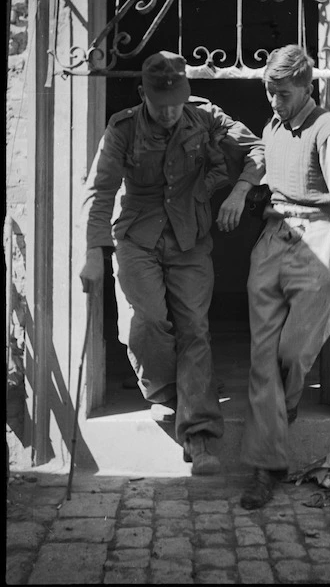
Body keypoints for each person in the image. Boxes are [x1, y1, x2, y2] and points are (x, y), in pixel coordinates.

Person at [79, 50, 265, 475]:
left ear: (187, 92)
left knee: (195, 329)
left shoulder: (205, 118)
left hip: (190, 237)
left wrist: (238, 192)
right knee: (147, 322)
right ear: (144, 93)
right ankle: (166, 391)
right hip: (137, 237)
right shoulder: (122, 128)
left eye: (176, 102)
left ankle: (200, 438)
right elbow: (100, 190)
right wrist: (93, 251)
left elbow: (255, 148)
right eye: (160, 104)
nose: (168, 113)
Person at [228, 44, 330, 508]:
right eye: (270, 92)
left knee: (293, 351)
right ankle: (267, 466)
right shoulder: (274, 125)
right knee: (262, 358)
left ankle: (284, 407)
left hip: (314, 239)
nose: (274, 101)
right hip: (272, 237)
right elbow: (262, 160)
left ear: (306, 87)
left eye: (283, 93)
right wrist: (242, 187)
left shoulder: (327, 129)